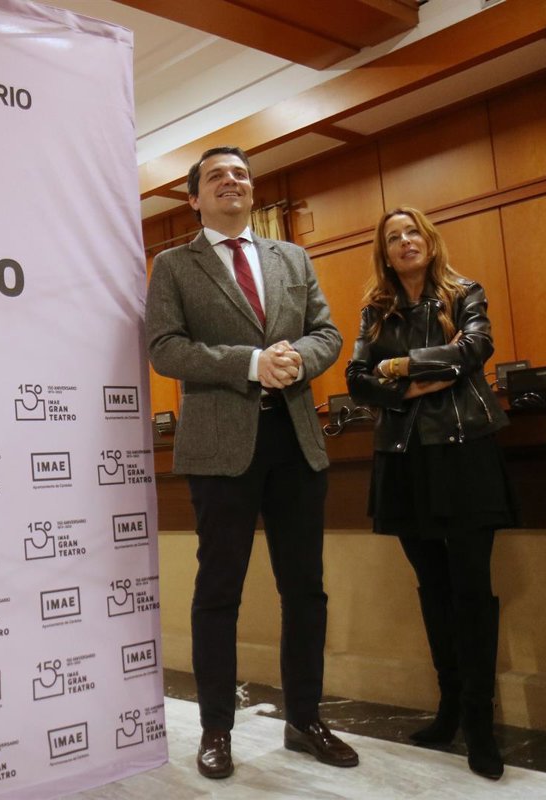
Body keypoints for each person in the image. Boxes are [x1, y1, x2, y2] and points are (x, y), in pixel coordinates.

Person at [145, 146, 356, 779]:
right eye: (216, 176)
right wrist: (250, 363)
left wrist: (295, 360)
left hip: (295, 441)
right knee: (219, 591)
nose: (231, 181)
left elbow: (327, 333)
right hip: (219, 448)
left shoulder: (292, 257)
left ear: (252, 190)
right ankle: (216, 728)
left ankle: (305, 720)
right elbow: (165, 348)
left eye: (240, 173)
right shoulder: (173, 265)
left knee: (305, 589)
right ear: (194, 198)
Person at [345, 207, 517, 780]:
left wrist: (398, 366)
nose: (404, 241)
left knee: (471, 588)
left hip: (465, 452)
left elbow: (475, 350)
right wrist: (410, 386)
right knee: (433, 588)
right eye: (392, 237)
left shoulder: (464, 293)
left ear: (428, 239)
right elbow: (356, 381)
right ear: (385, 252)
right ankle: (449, 708)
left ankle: (480, 722)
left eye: (411, 231)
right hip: (404, 458)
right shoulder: (375, 310)